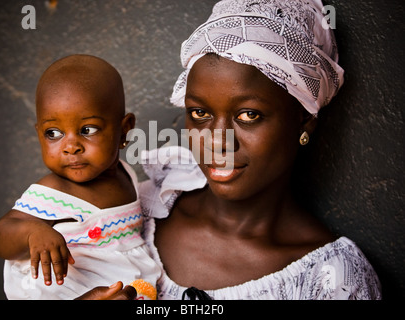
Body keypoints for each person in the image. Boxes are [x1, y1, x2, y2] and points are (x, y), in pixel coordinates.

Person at [136, 0, 382, 299]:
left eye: (248, 115)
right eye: (200, 114)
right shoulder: (136, 214)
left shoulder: (332, 280)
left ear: (304, 122)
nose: (217, 141)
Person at [0, 54, 160, 300]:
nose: (70, 147)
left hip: (120, 281)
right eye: (53, 133)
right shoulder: (53, 190)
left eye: (87, 130)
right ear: (39, 134)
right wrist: (32, 232)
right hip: (65, 286)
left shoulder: (126, 175)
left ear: (124, 129)